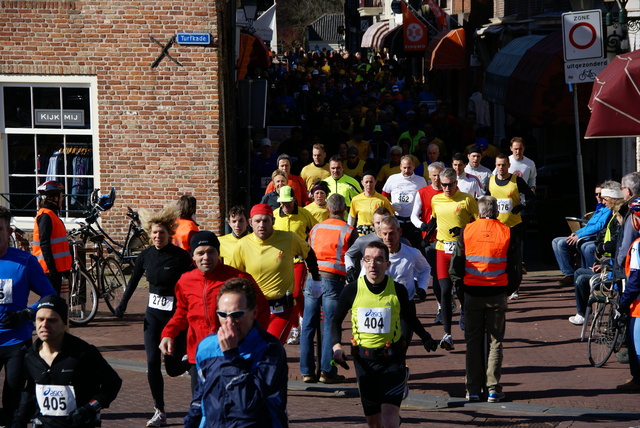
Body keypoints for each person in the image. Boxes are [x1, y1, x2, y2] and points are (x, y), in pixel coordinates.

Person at [330, 241, 438, 428]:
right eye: (369, 259)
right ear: (362, 262)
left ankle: (393, 418)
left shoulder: (397, 290)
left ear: (388, 264)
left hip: (392, 359)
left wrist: (426, 337)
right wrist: (336, 346)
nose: (373, 265)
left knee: (387, 421)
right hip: (364, 362)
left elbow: (410, 318)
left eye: (379, 260)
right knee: (374, 423)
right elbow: (335, 320)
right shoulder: (352, 290)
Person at [114, 205, 194, 427]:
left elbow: (191, 284)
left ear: (169, 234)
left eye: (162, 233)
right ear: (149, 234)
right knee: (151, 362)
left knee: (172, 368)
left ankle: (190, 364)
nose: (158, 236)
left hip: (175, 317)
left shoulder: (180, 257)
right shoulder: (145, 256)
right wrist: (122, 305)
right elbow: (132, 282)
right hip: (153, 317)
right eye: (154, 233)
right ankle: (159, 410)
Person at [160, 231, 269, 392]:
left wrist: (252, 340)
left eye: (211, 251)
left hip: (232, 351)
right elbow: (182, 311)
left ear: (218, 253)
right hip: (199, 353)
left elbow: (261, 310)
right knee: (201, 404)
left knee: (234, 402)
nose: (206, 257)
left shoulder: (238, 278)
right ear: (193, 256)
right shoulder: (185, 281)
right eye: (200, 253)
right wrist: (169, 333)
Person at [184, 278, 288, 427]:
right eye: (222, 314)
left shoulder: (269, 349)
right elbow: (199, 399)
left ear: (254, 313)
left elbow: (248, 403)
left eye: (237, 315)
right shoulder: (207, 347)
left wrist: (231, 355)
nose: (229, 322)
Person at [449, 196, 520, 403]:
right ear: (496, 212)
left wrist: (461, 291)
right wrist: (508, 290)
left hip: (472, 293)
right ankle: (492, 389)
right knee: (495, 340)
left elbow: (456, 266)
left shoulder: (467, 231)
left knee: (473, 341)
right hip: (497, 292)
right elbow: (515, 269)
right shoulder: (507, 232)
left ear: (479, 213)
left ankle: (472, 389)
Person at [13, 295, 122, 428]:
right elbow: (29, 393)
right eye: (40, 319)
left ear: (65, 323)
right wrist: (18, 422)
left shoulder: (84, 353)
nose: (44, 325)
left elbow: (113, 384)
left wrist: (89, 408)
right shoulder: (31, 356)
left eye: (52, 320)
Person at [229, 204, 321, 344]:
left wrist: (315, 279)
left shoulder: (289, 239)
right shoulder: (243, 245)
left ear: (273, 221)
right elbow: (233, 276)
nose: (262, 225)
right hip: (254, 309)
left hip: (281, 308)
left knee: (270, 346)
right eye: (257, 221)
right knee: (253, 348)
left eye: (266, 220)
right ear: (250, 223)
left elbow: (308, 253)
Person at [0, 206, 56, 426]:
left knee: (12, 397)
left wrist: (27, 314)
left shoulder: (24, 261)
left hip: (16, 341)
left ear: (9, 232)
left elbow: (49, 294)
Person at [300, 194, 357, 384]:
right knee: (330, 326)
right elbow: (353, 258)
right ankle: (327, 371)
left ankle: (307, 371)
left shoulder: (316, 228)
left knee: (308, 325)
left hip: (312, 279)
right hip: (333, 280)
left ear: (328, 209)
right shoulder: (348, 230)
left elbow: (308, 251)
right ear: (344, 209)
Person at [430, 168, 478, 350]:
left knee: (460, 289)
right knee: (444, 290)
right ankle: (447, 334)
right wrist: (426, 233)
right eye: (444, 185)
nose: (447, 188)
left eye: (450, 184)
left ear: (456, 183)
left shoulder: (466, 199)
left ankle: (465, 313)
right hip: (442, 248)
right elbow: (435, 219)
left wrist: (463, 231)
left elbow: (478, 222)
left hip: (461, 251)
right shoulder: (436, 199)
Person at [272, 186, 318, 345]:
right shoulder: (274, 216)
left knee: (297, 292)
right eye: (282, 203)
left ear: (294, 200)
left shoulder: (305, 214)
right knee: (284, 295)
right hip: (279, 262)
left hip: (298, 260)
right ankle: (294, 328)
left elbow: (316, 230)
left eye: (288, 202)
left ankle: (306, 320)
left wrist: (311, 249)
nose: (285, 206)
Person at [487, 153, 535, 299]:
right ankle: (497, 283)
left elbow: (531, 197)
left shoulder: (516, 180)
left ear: (509, 165)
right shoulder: (490, 181)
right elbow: (484, 199)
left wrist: (521, 206)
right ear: (495, 166)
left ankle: (514, 287)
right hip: (495, 226)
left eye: (503, 165)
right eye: (498, 165)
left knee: (514, 258)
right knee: (496, 256)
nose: (501, 168)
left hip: (513, 226)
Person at [379, 216, 431, 344]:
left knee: (402, 346)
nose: (388, 238)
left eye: (391, 233)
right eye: (384, 234)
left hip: (405, 306)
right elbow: (363, 278)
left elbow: (425, 269)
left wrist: (422, 287)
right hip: (381, 307)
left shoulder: (412, 253)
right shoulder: (374, 254)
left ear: (399, 232)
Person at [551, 184, 611, 284]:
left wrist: (579, 236)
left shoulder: (608, 209)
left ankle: (586, 274)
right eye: (596, 194)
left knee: (565, 244)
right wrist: (576, 233)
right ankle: (569, 274)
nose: (598, 196)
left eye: (601, 194)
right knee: (556, 241)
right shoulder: (599, 208)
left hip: (595, 237)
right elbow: (588, 226)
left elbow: (599, 226)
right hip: (585, 235)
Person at [410, 162, 445, 323]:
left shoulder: (451, 191)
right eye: (434, 175)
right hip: (430, 240)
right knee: (437, 275)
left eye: (440, 175)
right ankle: (441, 308)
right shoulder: (422, 192)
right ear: (429, 176)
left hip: (449, 240)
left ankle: (450, 302)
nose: (437, 178)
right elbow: (413, 216)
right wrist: (421, 225)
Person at [32, 181, 71, 294]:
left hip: (55, 268)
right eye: (61, 196)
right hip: (48, 269)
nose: (62, 199)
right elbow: (44, 243)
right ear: (54, 197)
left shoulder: (52, 214)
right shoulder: (46, 216)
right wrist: (52, 268)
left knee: (54, 302)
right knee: (50, 303)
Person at [382, 155, 428, 248]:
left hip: (413, 222)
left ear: (414, 166)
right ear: (400, 167)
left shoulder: (420, 180)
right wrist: (390, 205)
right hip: (397, 220)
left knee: (414, 247)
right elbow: (383, 196)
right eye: (404, 168)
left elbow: (425, 199)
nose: (407, 171)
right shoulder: (392, 179)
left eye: (409, 168)